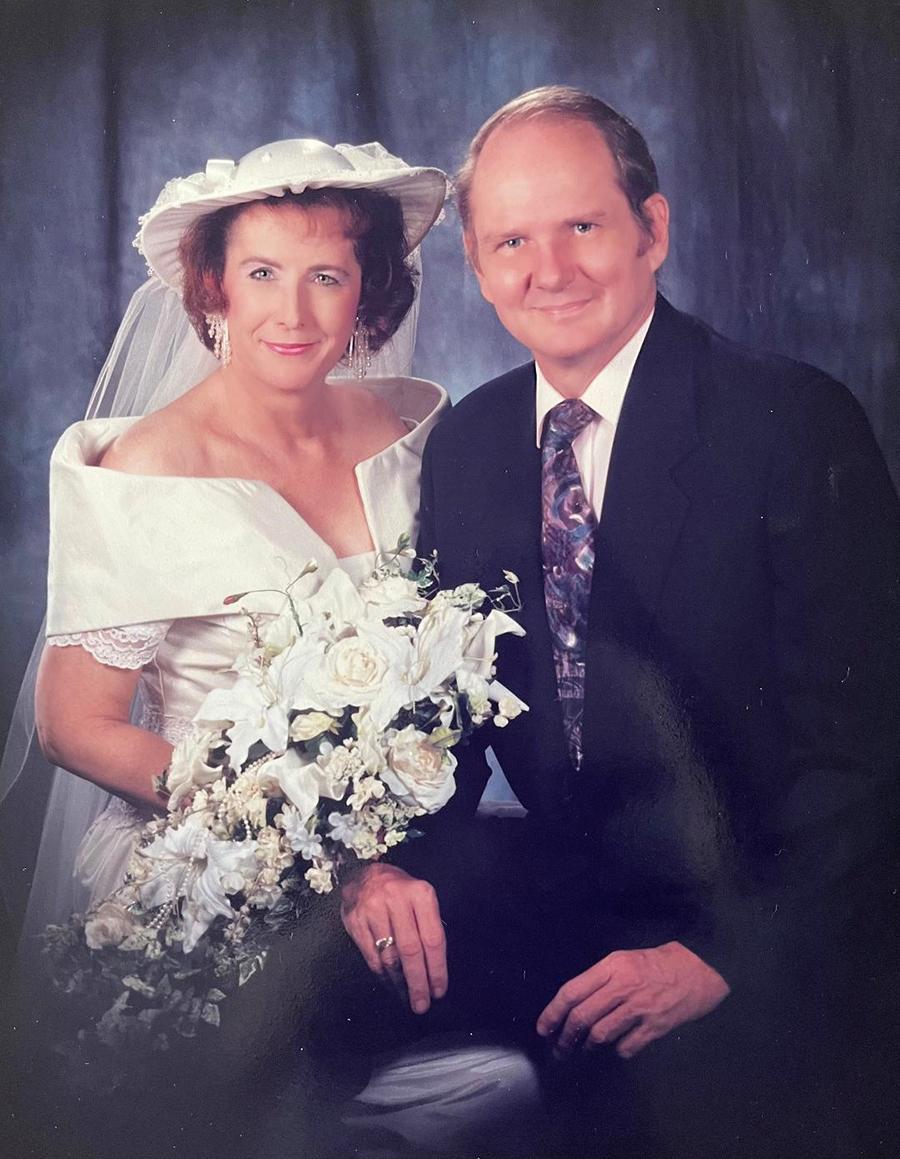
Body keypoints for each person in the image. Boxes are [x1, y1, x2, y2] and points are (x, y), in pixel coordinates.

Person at [340, 86, 900, 1157]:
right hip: (572, 911)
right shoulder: (469, 444)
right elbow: (451, 720)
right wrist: (385, 864)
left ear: (655, 229)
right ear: (479, 264)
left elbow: (870, 749)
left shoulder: (788, 421)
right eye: (512, 240)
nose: (548, 270)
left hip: (771, 919)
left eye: (582, 226)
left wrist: (727, 954)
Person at [2, 135, 467, 1159]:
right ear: (211, 285)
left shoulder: (408, 422)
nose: (291, 315)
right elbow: (70, 722)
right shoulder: (147, 467)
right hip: (217, 858)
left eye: (326, 277)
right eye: (261, 274)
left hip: (412, 836)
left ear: (370, 293)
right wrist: (293, 831)